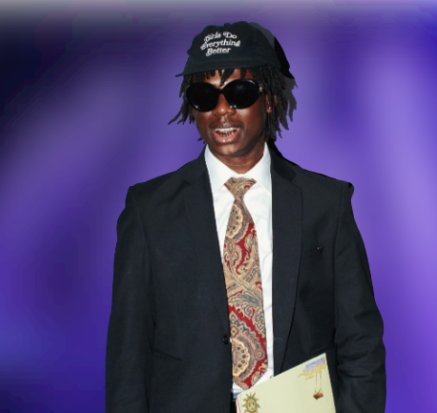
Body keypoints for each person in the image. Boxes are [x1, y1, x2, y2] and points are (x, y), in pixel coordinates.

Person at [106, 21, 386, 413]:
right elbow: (127, 357)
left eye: (239, 93)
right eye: (205, 96)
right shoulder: (149, 210)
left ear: (268, 99)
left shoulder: (325, 203)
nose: (222, 110)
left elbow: (361, 344)